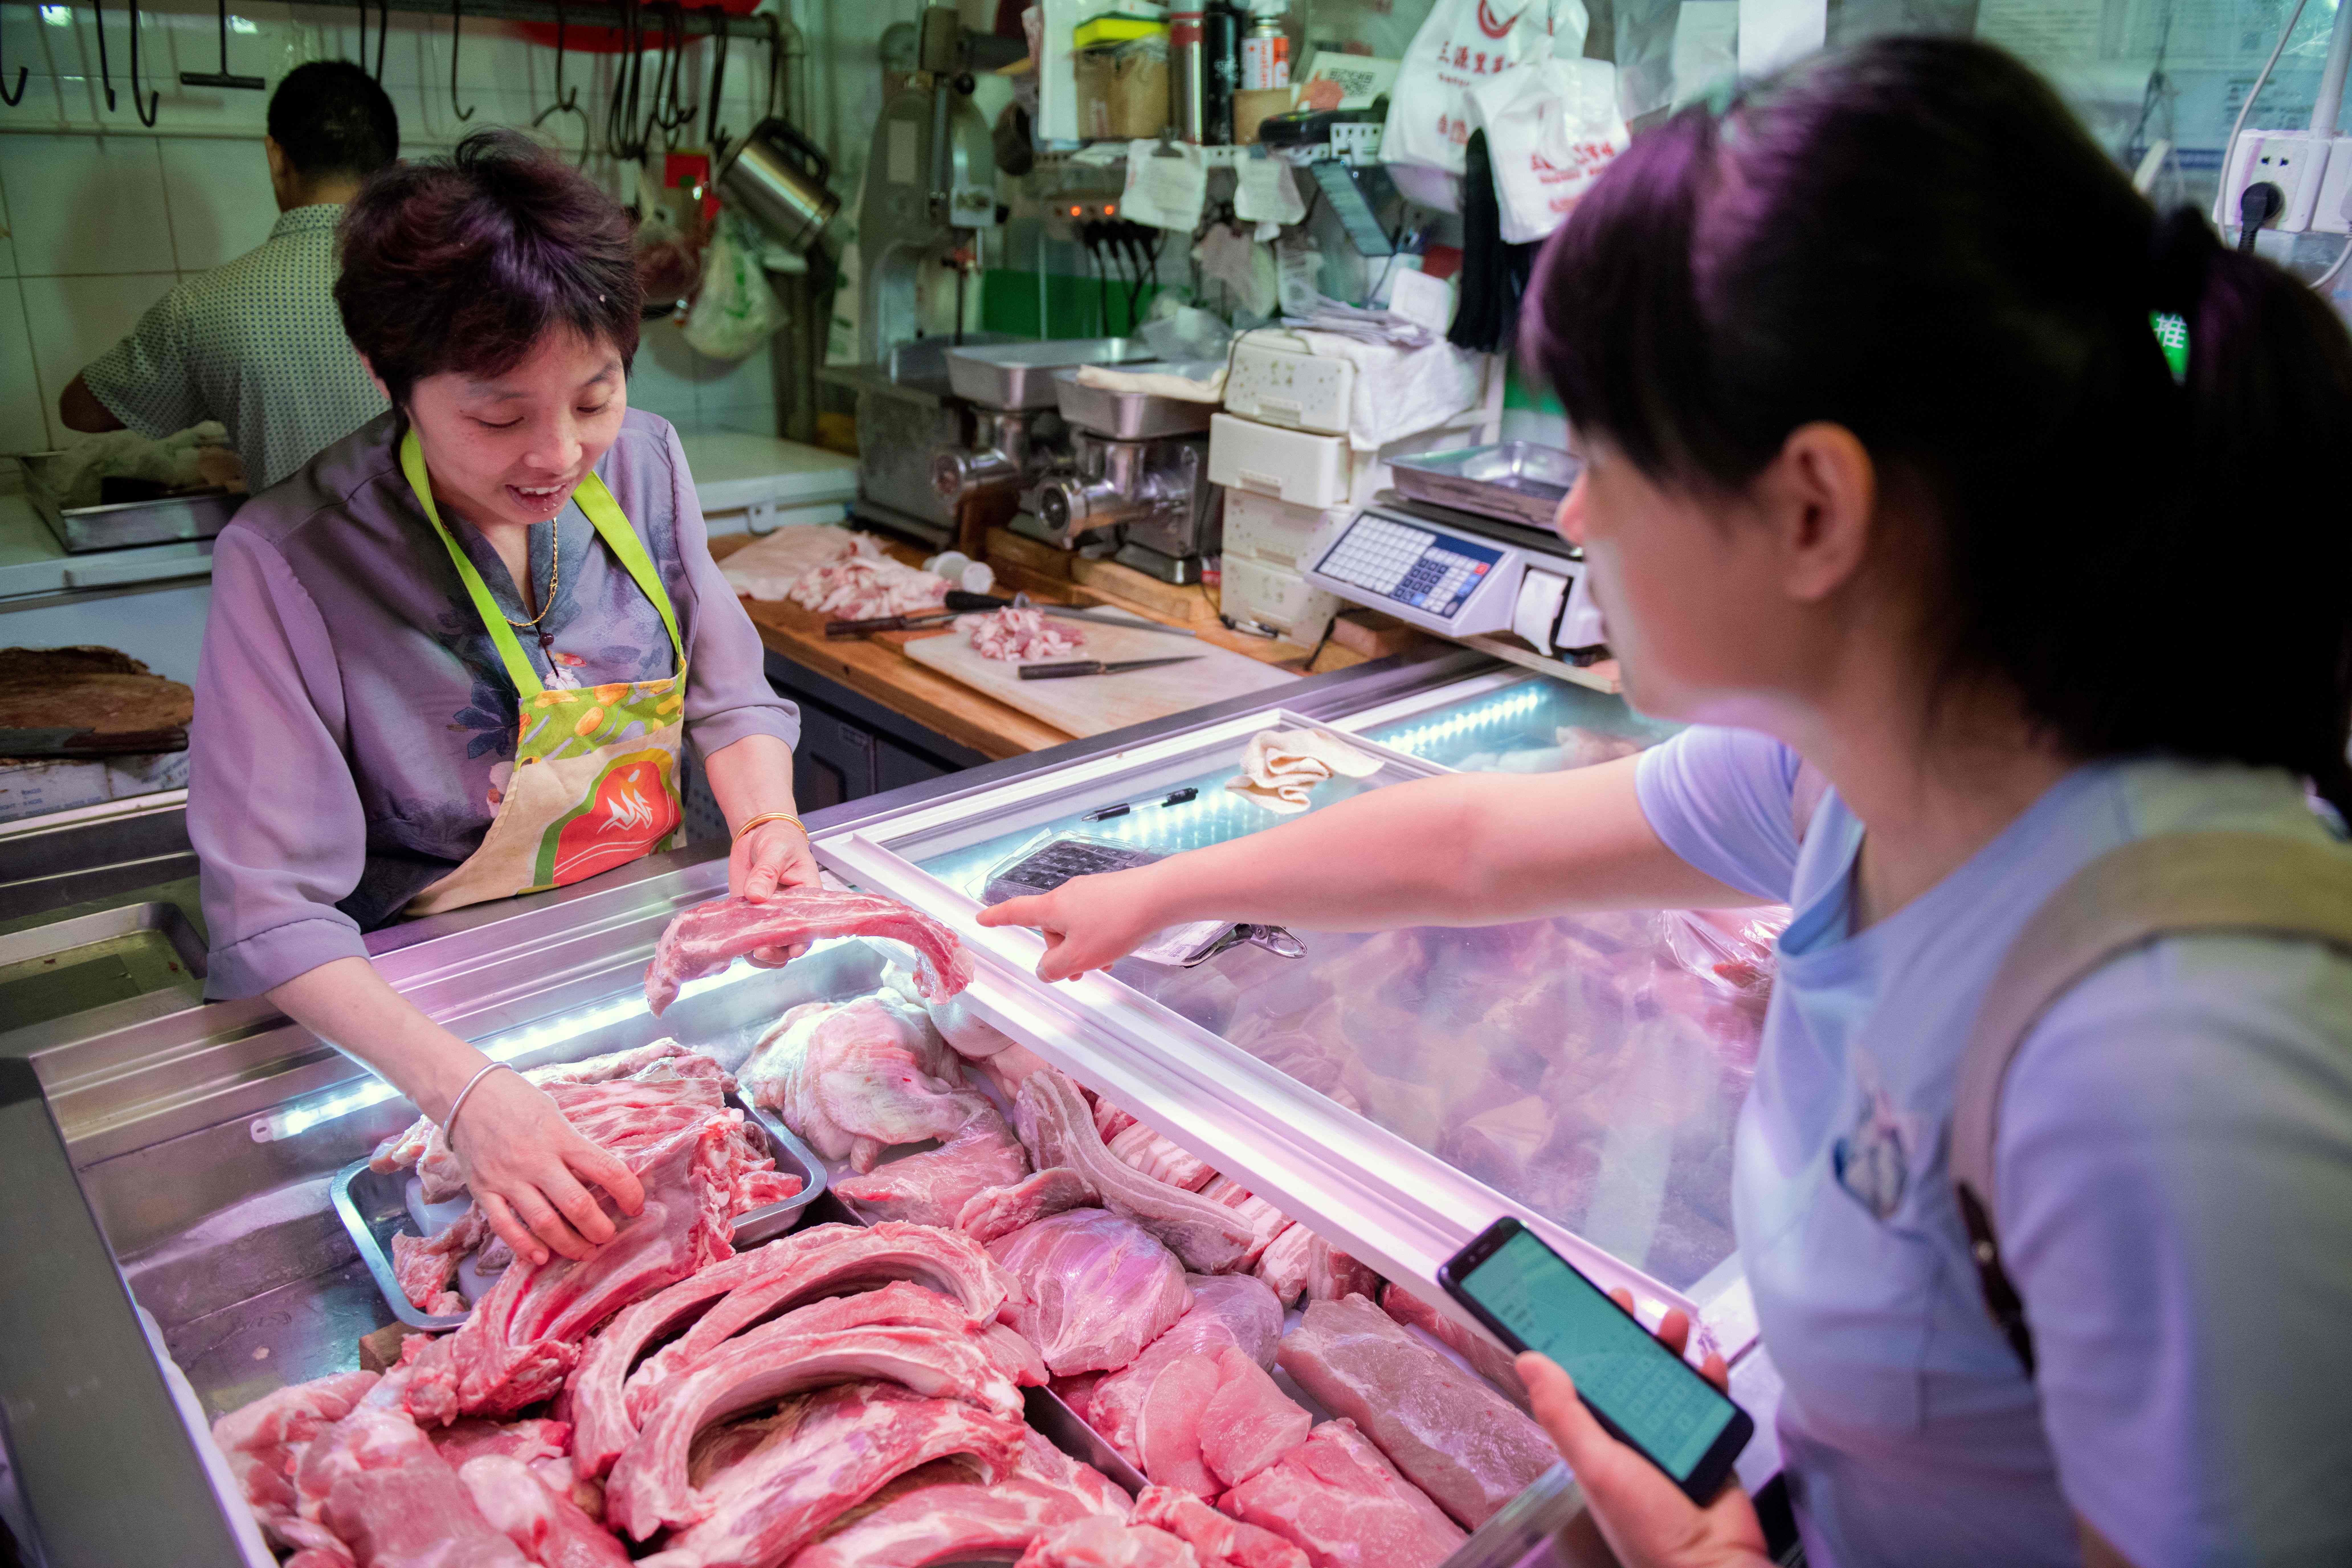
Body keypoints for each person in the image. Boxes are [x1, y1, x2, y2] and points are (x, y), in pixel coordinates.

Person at [980, 39, 2352, 1568]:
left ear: (1814, 510)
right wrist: (1160, 891)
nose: (1569, 516)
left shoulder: (2172, 1057)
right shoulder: (1856, 770)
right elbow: (1479, 843)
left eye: (1604, 460)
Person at [186, 131, 819, 1277]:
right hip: (421, 1024)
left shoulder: (649, 466)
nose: (559, 453)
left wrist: (768, 819)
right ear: (389, 379)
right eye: (497, 416)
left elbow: (732, 697)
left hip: (640, 974)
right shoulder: (291, 563)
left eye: (595, 394)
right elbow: (271, 911)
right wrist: (467, 1094)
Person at [61, 60, 397, 493]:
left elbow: (80, 412)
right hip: (454, 557)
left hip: (296, 557)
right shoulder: (453, 286)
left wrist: (212, 380)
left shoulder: (204, 306)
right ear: (397, 172)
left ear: (276, 158)